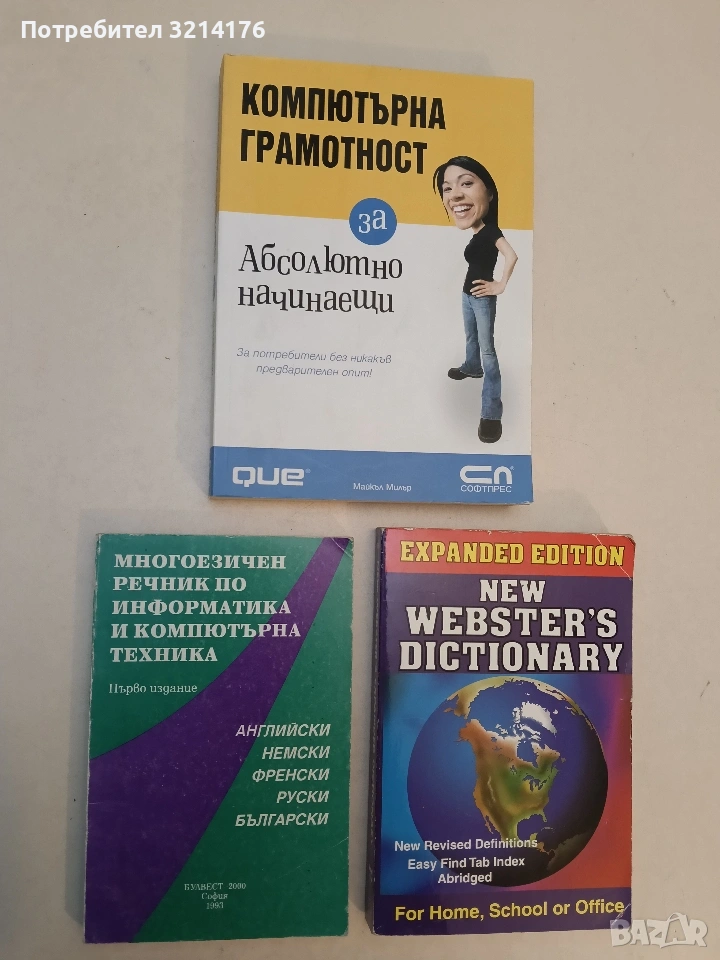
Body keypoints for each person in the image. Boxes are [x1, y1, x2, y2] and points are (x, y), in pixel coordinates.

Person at [433, 157, 518, 443]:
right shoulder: (477, 231)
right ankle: (471, 367)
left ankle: (491, 414)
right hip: (466, 294)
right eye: (447, 188)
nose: (454, 194)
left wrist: (500, 285)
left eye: (466, 183)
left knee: (488, 351)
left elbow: (512, 255)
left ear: (489, 193)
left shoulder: (491, 231)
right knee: (471, 337)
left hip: (481, 298)